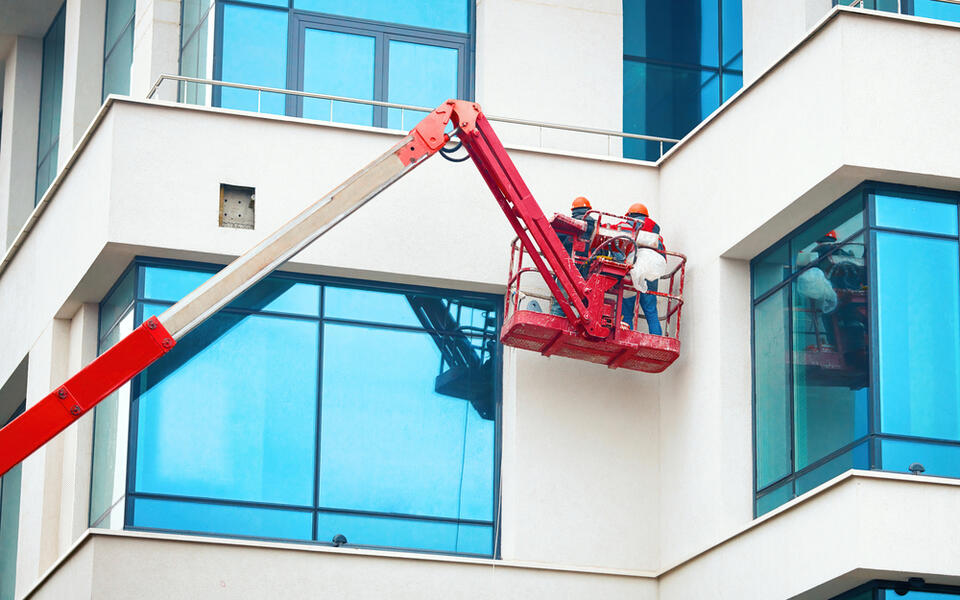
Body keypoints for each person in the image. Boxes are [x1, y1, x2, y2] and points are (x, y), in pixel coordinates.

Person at [618, 203, 665, 335]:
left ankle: (627, 338)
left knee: (627, 310)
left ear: (629, 215)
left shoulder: (627, 227)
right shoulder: (656, 234)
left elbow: (618, 249)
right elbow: (662, 256)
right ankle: (656, 339)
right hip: (651, 271)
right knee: (651, 310)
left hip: (632, 268)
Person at [551, 197, 596, 316]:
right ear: (588, 209)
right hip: (588, 270)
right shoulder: (596, 226)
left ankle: (556, 320)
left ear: (574, 211)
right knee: (586, 302)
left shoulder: (568, 224)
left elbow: (553, 240)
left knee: (561, 301)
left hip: (569, 267)